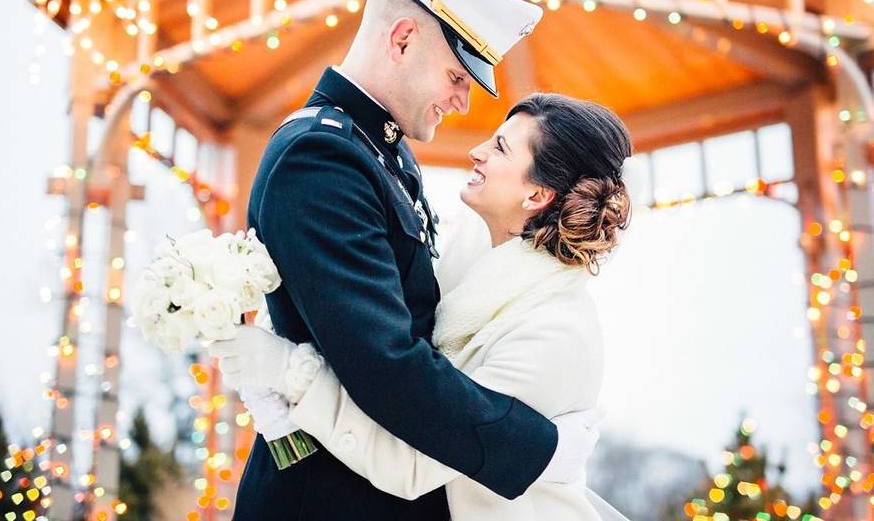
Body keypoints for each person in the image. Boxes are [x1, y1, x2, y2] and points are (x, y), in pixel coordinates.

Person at [211, 0, 601, 520]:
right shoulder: (320, 156)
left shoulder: (380, 152)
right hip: (327, 499)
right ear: (401, 40)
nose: (463, 101)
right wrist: (537, 449)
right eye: (456, 75)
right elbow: (387, 365)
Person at [223, 93, 635, 520]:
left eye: (499, 148)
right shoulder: (463, 263)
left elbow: (411, 463)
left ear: (537, 195)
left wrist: (292, 373)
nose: (477, 152)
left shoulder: (555, 333)